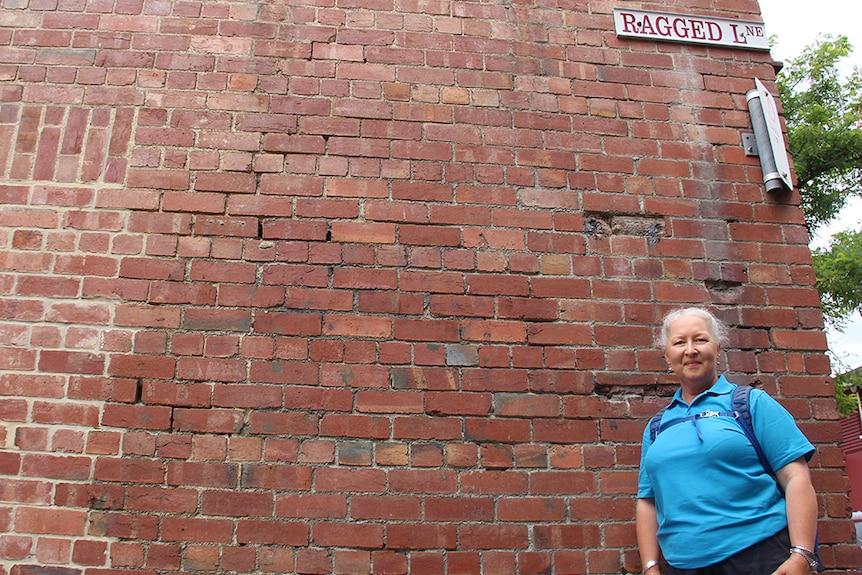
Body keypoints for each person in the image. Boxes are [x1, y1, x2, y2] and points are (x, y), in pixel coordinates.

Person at [637, 307, 819, 575]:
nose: (690, 350)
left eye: (700, 339)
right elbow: (647, 500)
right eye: (679, 342)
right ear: (667, 355)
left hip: (760, 558)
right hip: (682, 567)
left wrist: (802, 556)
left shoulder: (751, 404)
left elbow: (796, 478)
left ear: (718, 348)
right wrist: (650, 567)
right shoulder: (656, 427)